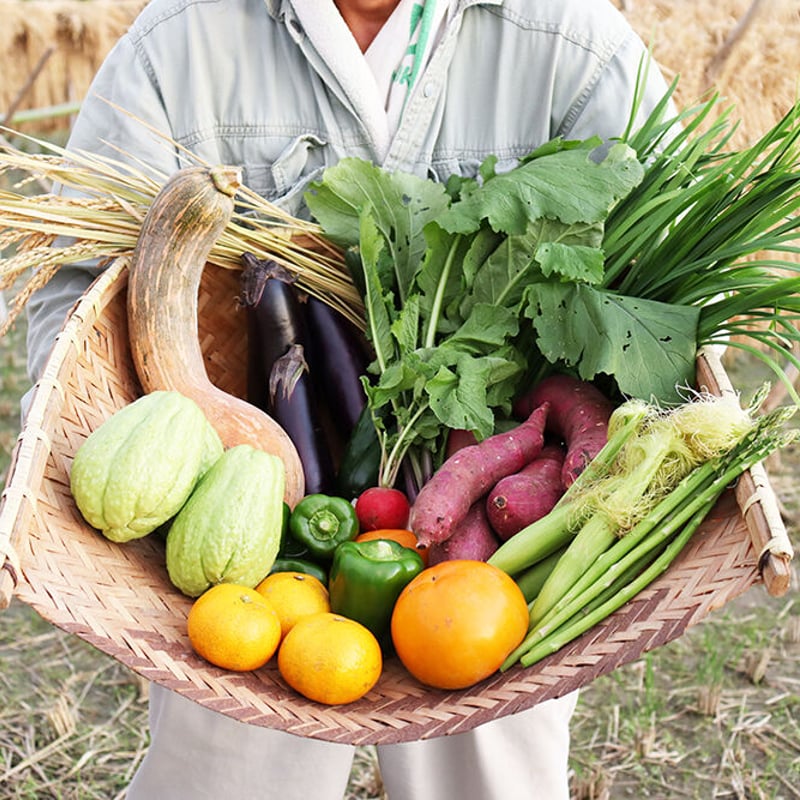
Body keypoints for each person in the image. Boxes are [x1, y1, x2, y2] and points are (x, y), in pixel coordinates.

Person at [24, 1, 674, 797]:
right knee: (228, 774)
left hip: (495, 562)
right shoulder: (183, 40)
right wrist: (139, 462)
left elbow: (662, 275)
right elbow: (78, 289)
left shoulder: (574, 45)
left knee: (492, 772)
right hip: (251, 546)